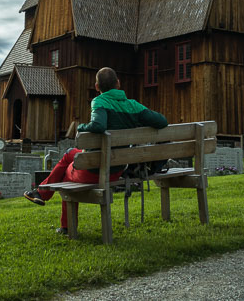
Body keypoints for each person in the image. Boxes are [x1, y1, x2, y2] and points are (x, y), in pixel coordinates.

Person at [23, 66, 167, 235]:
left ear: (97, 87)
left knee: (66, 170)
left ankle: (61, 219)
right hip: (116, 169)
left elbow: (99, 125)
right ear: (118, 84)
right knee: (71, 154)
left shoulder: (99, 102)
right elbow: (162, 121)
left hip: (93, 171)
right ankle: (42, 194)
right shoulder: (133, 105)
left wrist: (82, 127)